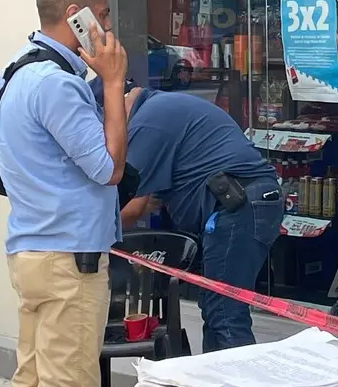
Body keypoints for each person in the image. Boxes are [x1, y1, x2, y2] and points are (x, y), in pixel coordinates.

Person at [0, 0, 128, 387]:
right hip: (69, 262)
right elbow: (108, 167)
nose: (107, 29)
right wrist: (112, 84)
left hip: (35, 251)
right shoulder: (56, 83)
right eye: (103, 15)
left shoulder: (18, 68)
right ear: (76, 16)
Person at [100, 82, 279, 351]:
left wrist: (89, 238)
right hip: (242, 205)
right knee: (217, 309)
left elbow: (131, 208)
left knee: (225, 314)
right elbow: (148, 196)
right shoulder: (161, 109)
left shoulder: (145, 124)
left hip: (237, 206)